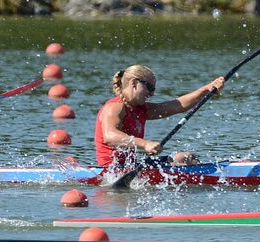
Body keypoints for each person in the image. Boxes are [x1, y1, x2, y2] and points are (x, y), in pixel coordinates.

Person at [95, 65, 225, 169]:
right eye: (150, 88)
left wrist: (206, 89)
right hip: (112, 170)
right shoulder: (114, 107)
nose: (151, 94)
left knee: (187, 157)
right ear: (134, 83)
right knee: (181, 163)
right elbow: (110, 137)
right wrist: (146, 144)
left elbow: (178, 105)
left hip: (131, 167)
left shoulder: (141, 109)